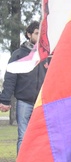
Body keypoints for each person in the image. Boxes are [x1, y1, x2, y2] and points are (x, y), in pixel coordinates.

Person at [0, 21, 45, 153]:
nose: (39, 36)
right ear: (29, 34)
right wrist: (5, 100)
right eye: (36, 33)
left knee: (39, 137)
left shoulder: (46, 55)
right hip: (24, 101)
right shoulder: (19, 54)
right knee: (23, 136)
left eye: (41, 33)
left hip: (41, 102)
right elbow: (10, 77)